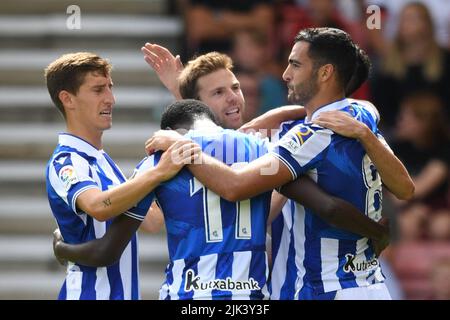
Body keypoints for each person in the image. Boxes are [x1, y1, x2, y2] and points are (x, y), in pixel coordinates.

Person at [146, 28, 415, 300]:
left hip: (320, 289)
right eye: (217, 92)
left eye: (295, 65)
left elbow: (241, 185)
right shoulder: (360, 113)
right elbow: (404, 189)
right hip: (366, 285)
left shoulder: (293, 140)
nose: (285, 74)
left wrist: (377, 233)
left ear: (325, 73)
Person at [54, 99, 392, 300]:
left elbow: (108, 250)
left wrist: (62, 248)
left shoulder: (160, 158)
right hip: (250, 298)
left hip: (188, 295)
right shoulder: (264, 152)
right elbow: (327, 206)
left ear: (172, 130)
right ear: (212, 122)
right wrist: (377, 232)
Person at [45, 52, 199, 300]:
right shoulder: (67, 160)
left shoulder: (103, 161)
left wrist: (160, 164)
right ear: (68, 99)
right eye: (98, 90)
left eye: (110, 88)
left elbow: (152, 221)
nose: (111, 99)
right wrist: (158, 172)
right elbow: (97, 206)